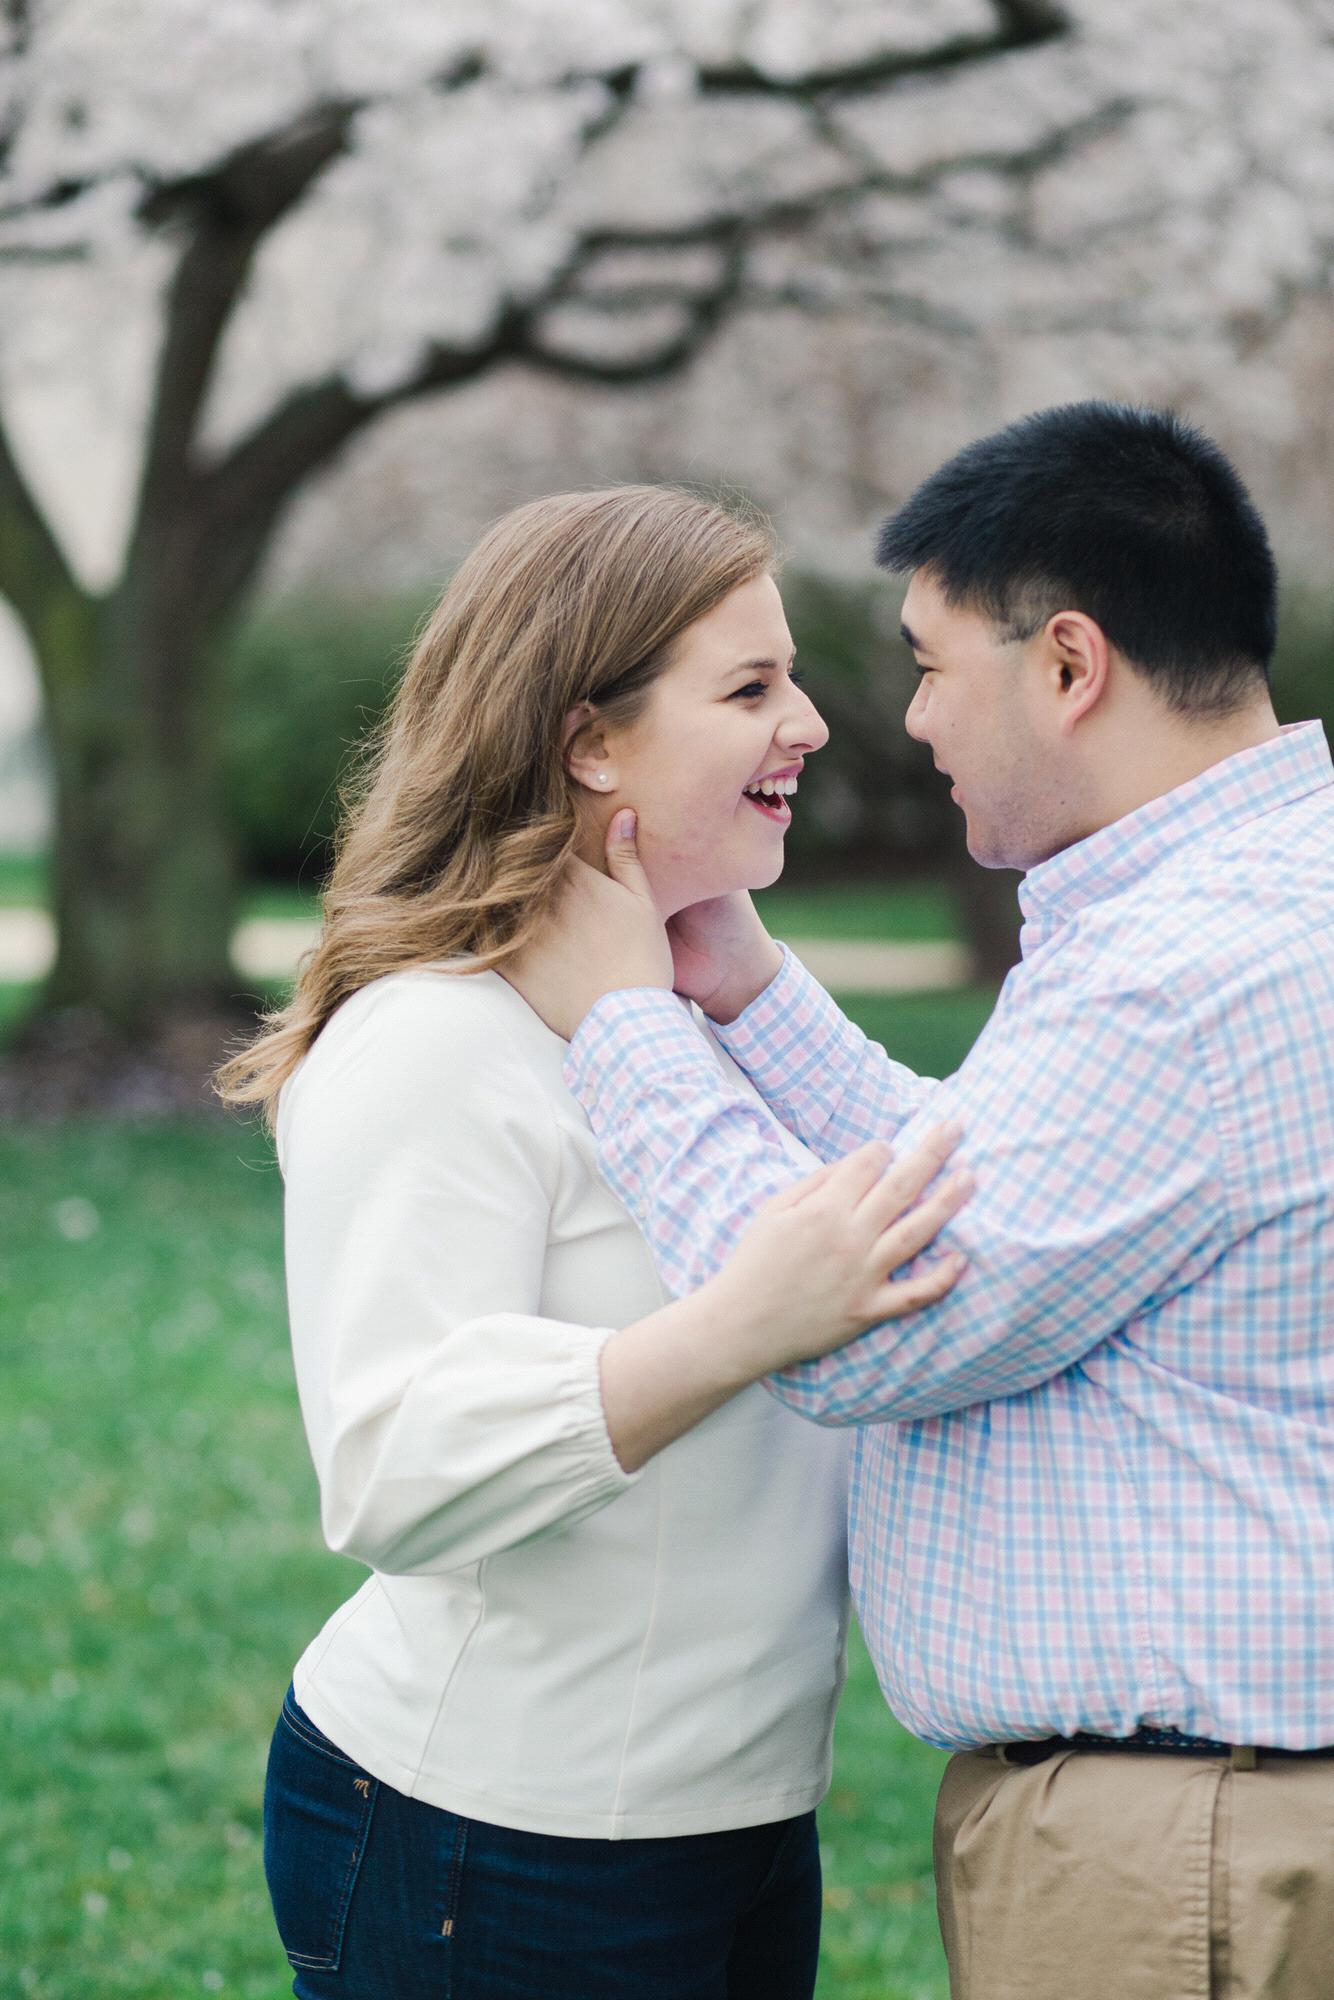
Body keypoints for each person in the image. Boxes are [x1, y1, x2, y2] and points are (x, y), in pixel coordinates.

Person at [506, 405, 1334, 2000]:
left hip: (1184, 1856)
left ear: (1069, 665)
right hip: (1204, 1822)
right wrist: (740, 987)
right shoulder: (1251, 897)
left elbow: (865, 1328)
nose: (900, 719)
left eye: (931, 663)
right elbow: (1006, 1201)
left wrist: (626, 1027)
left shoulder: (1177, 976)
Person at [215, 485, 971, 2000]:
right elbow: (390, 1465)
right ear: (587, 739)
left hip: (740, 1818)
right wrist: (736, 1327)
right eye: (749, 688)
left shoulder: (723, 1010)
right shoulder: (431, 1041)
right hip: (491, 1841)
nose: (813, 724)